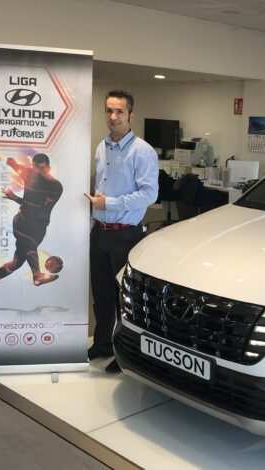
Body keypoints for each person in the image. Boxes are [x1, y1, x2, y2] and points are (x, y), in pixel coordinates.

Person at [86, 90, 158, 373]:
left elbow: (149, 194)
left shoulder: (142, 151)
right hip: (100, 232)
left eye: (119, 111)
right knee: (101, 294)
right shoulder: (101, 147)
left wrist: (110, 203)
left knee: (123, 299)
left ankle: (124, 351)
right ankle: (102, 343)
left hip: (125, 235)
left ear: (130, 115)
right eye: (109, 110)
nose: (113, 116)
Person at [0, 153, 63, 302]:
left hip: (39, 227)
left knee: (16, 263)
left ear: (48, 168)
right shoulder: (29, 173)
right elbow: (11, 162)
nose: (39, 173)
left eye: (42, 169)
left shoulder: (56, 187)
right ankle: (37, 275)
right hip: (22, 222)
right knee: (29, 244)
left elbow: (38, 209)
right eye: (36, 169)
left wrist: (14, 197)